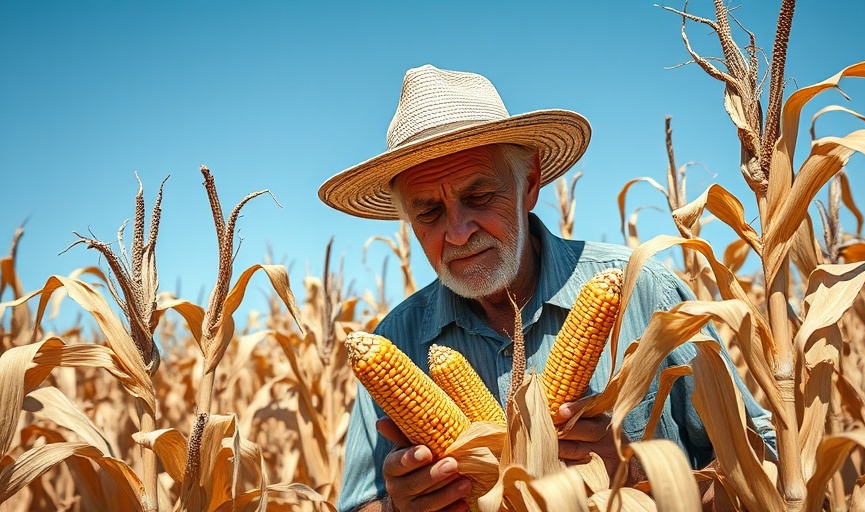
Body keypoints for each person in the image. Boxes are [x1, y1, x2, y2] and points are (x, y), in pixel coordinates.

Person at [319, 64, 776, 512]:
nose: (458, 233)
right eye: (429, 213)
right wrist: (402, 508)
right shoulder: (394, 340)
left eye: (478, 197)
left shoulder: (645, 292)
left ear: (530, 183)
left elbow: (771, 467)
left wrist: (637, 480)